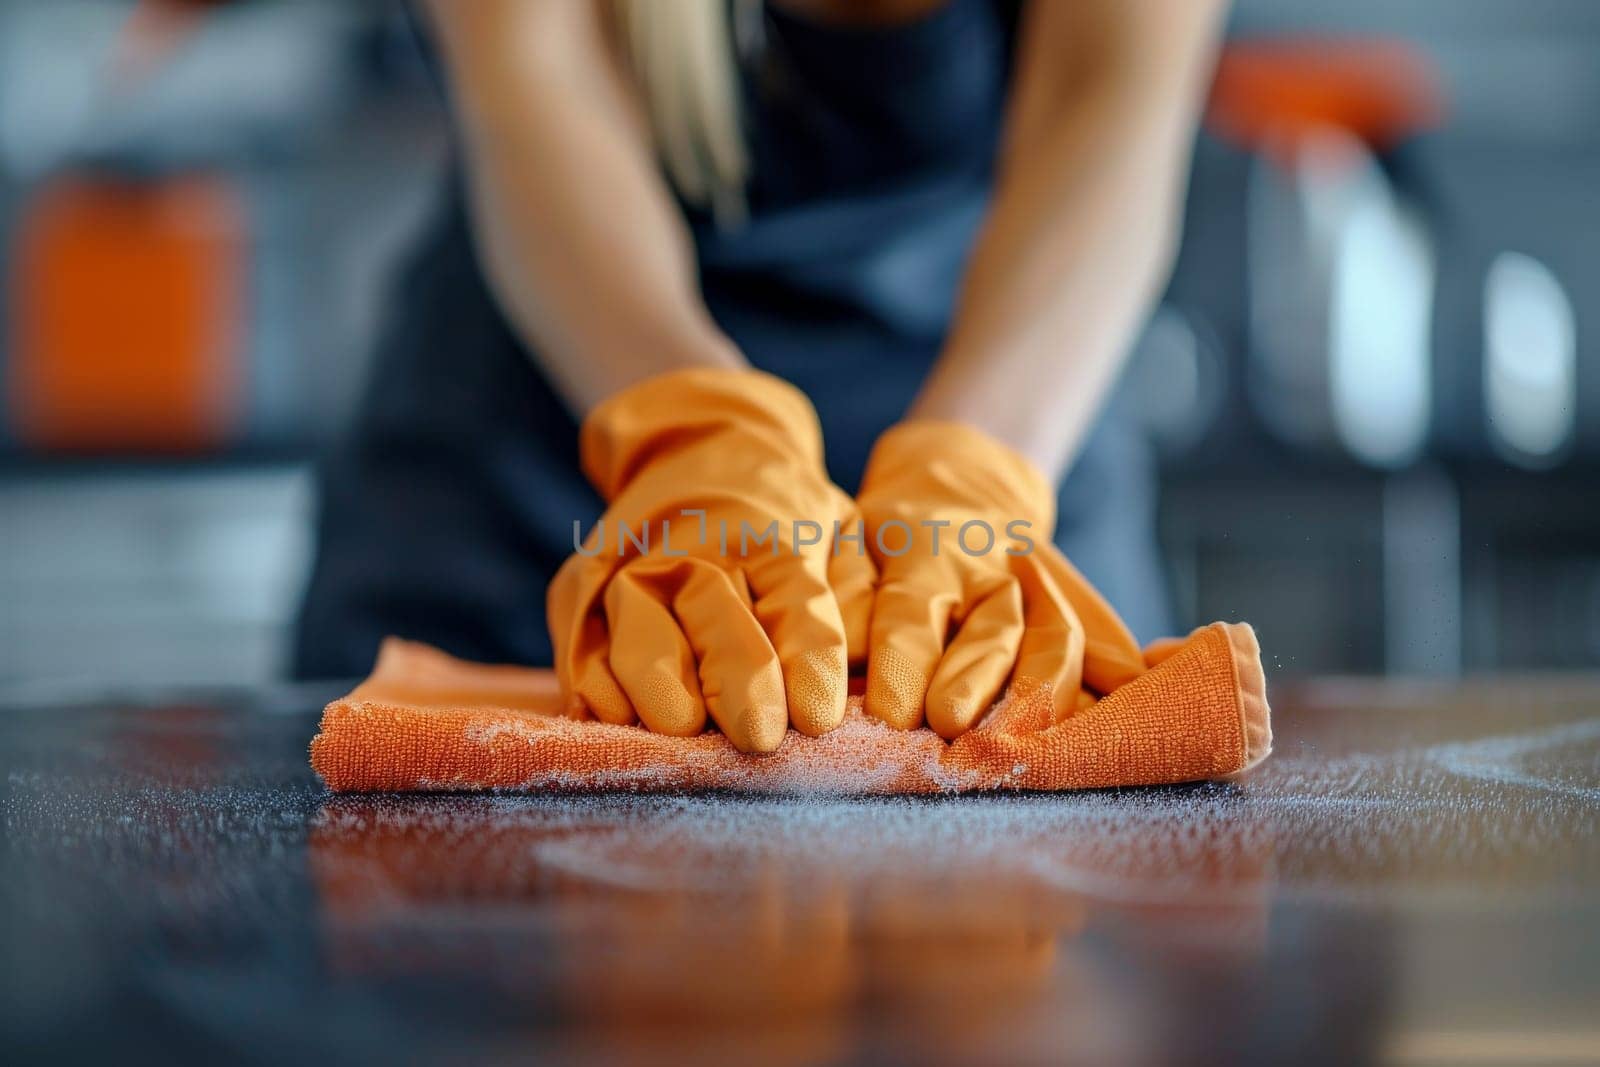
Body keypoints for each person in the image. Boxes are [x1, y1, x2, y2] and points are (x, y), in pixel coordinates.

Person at [294, 0, 1228, 750]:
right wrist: (688, 435)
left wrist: (979, 473)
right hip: (542, 456)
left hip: (1025, 405)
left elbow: (1109, 106)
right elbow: (539, 80)